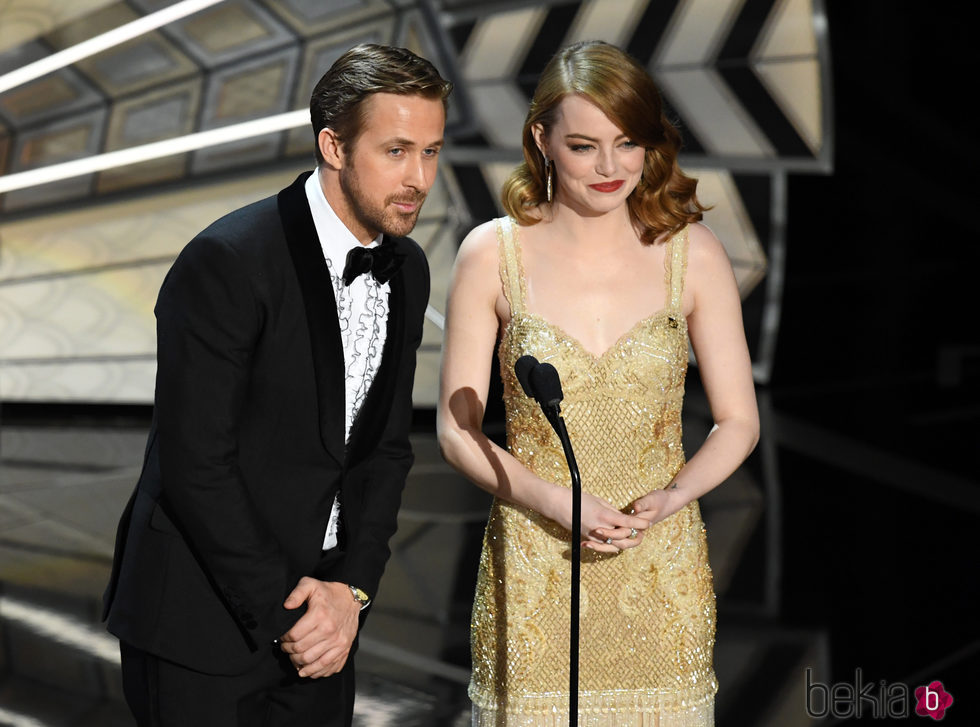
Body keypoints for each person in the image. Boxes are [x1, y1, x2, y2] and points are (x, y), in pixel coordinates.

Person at [102, 43, 452, 726]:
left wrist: (351, 593)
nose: (418, 177)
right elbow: (196, 464)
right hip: (201, 621)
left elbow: (384, 452)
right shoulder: (227, 260)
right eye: (397, 151)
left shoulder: (407, 268)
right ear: (334, 145)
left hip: (326, 624)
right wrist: (293, 609)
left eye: (432, 153)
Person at [437, 41, 759, 725]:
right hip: (535, 567)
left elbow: (738, 420)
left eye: (628, 142)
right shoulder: (492, 254)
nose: (610, 167)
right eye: (585, 145)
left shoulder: (693, 254)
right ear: (541, 139)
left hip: (661, 567)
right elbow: (456, 428)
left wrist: (674, 495)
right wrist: (552, 498)